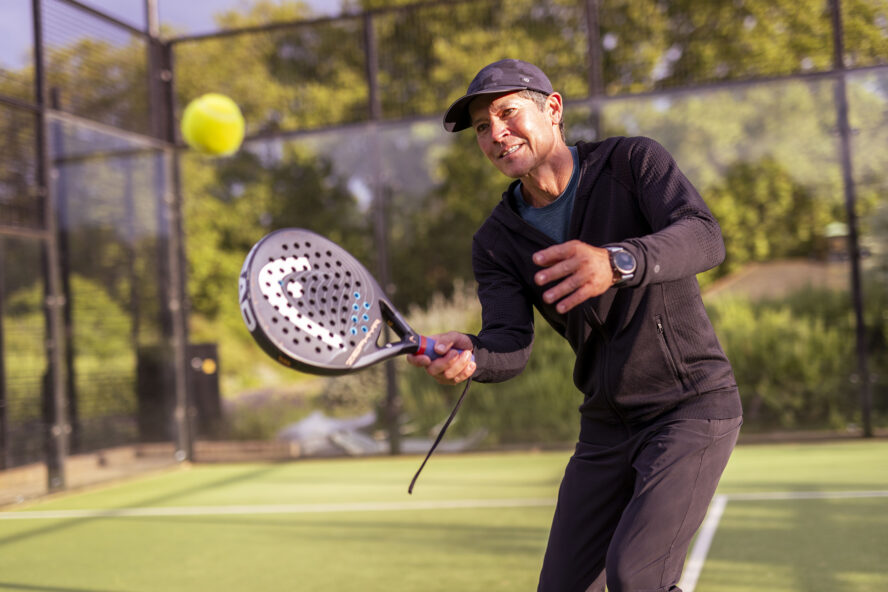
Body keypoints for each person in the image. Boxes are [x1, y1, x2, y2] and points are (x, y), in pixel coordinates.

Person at [406, 58, 743, 592]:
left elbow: (704, 236)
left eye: (507, 113)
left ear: (554, 109)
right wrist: (470, 354)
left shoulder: (633, 163)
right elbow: (509, 344)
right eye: (481, 128)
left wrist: (617, 262)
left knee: (638, 576)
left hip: (690, 407)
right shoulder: (495, 241)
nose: (496, 133)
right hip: (606, 427)